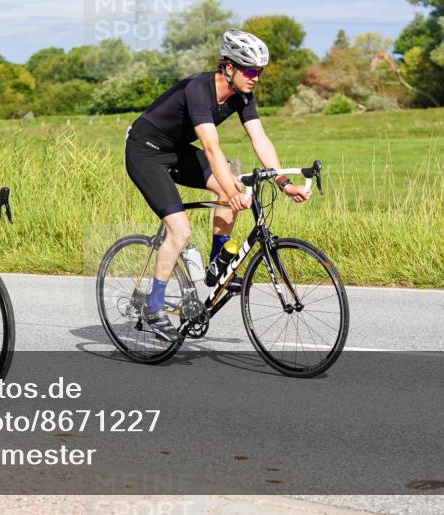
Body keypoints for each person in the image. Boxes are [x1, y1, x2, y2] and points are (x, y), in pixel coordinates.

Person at [124, 30, 311, 341]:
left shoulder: (243, 96)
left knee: (234, 182)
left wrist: (284, 182)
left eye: (259, 72)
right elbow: (211, 148)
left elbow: (259, 139)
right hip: (145, 152)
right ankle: (154, 308)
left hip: (177, 150)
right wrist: (230, 192)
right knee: (181, 229)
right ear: (229, 68)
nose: (255, 78)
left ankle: (216, 264)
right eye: (250, 71)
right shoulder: (199, 89)